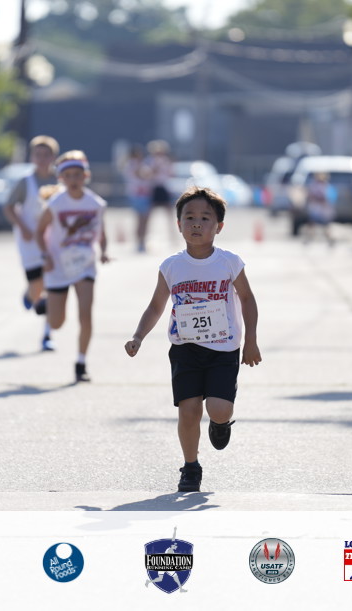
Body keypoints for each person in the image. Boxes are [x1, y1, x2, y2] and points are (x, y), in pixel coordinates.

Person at [124, 186, 261, 493]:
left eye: (205, 218)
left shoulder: (229, 262)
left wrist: (251, 340)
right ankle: (191, 467)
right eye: (189, 217)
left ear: (219, 226)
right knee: (188, 411)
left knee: (219, 408)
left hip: (223, 348)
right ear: (178, 224)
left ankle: (220, 423)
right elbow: (156, 306)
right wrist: (138, 336)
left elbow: (248, 299)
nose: (196, 223)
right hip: (185, 347)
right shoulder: (171, 266)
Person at [35, 150, 108, 382]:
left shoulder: (95, 203)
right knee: (57, 323)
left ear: (86, 176)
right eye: (69, 175)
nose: (74, 179)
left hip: (85, 265)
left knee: (85, 316)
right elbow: (39, 231)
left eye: (78, 174)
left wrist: (104, 251)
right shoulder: (55, 204)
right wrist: (46, 256)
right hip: (58, 266)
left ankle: (81, 362)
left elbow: (101, 233)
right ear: (61, 179)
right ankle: (47, 302)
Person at [4, 134, 59, 351]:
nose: (42, 159)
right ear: (32, 157)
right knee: (37, 286)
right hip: (29, 241)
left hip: (53, 241)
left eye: (46, 154)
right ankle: (30, 294)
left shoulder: (60, 180)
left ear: (53, 157)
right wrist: (23, 227)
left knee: (52, 285)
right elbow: (9, 207)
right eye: (38, 154)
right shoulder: (25, 182)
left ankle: (47, 335)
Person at [123, 143, 152, 253]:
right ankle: (139, 242)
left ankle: (143, 241)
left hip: (146, 194)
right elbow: (140, 175)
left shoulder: (144, 164)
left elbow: (150, 176)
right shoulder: (131, 164)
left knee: (145, 220)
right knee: (140, 219)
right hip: (137, 195)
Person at [304, 172, 336, 246]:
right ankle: (308, 239)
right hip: (316, 209)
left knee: (325, 227)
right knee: (311, 225)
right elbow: (310, 195)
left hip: (324, 210)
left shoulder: (326, 186)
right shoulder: (314, 185)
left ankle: (330, 240)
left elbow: (328, 198)